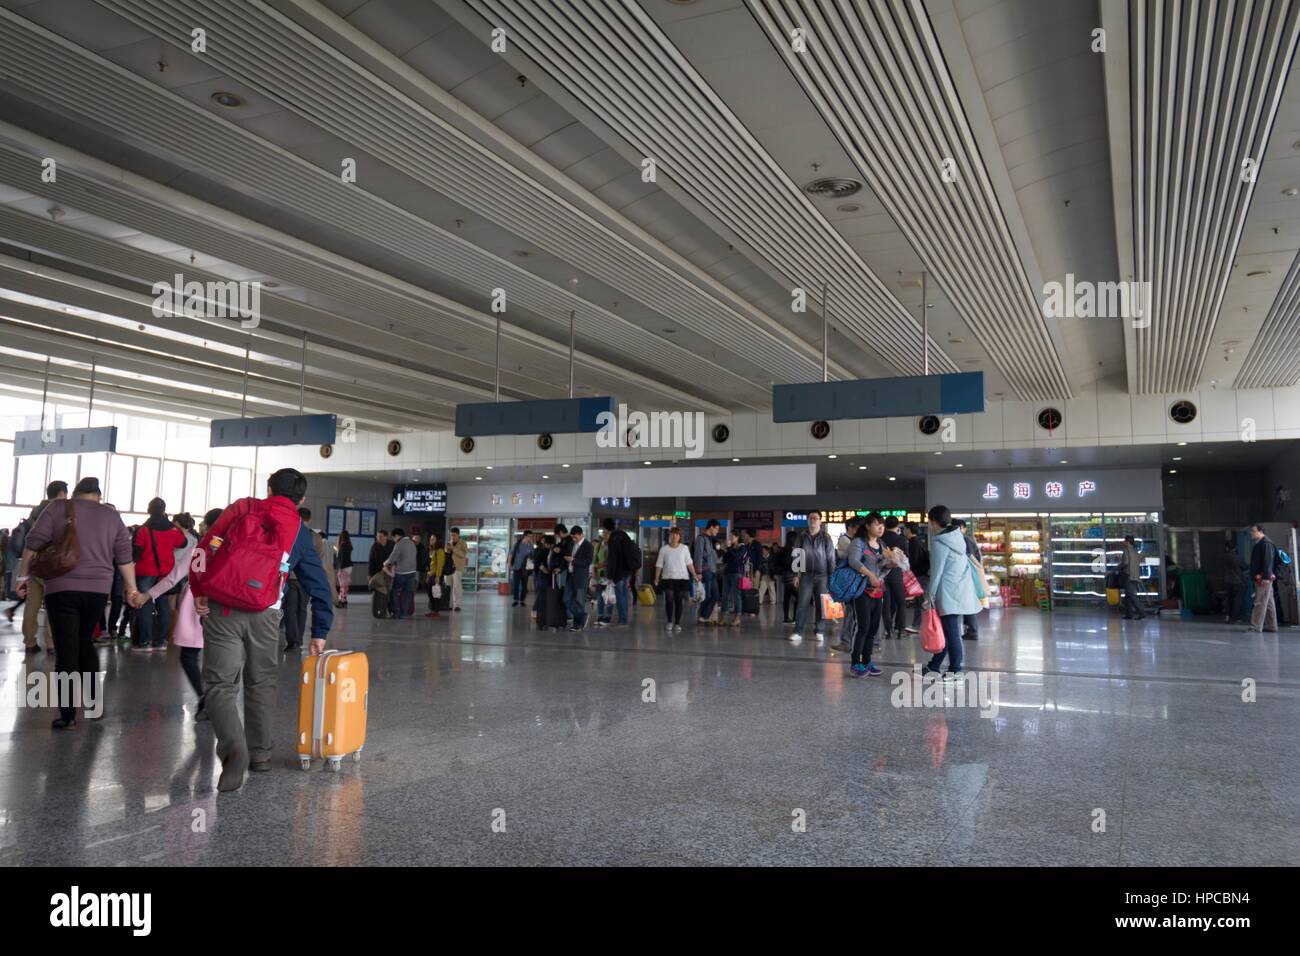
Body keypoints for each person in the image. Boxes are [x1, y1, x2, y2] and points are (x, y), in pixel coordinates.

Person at [193, 468, 334, 792]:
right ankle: (260, 755)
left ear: (268, 489)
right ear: (301, 499)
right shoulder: (300, 530)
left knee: (219, 685)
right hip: (266, 614)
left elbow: (204, 549)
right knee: (261, 683)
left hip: (222, 608)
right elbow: (319, 584)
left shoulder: (241, 509)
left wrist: (199, 588)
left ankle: (234, 750)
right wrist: (319, 630)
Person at [15, 477, 138, 729]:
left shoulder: (58, 508)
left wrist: (22, 577)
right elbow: (124, 557)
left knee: (66, 648)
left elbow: (33, 543)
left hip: (61, 587)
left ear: (75, 493)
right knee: (85, 643)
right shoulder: (111, 516)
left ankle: (68, 715)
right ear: (99, 495)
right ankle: (93, 705)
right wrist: (132, 588)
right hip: (97, 590)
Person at [130, 508, 222, 721]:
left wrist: (146, 596)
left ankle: (204, 697)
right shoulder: (232, 550)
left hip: (196, 605)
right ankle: (217, 701)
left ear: (207, 526)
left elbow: (173, 579)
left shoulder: (199, 550)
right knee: (219, 657)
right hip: (222, 607)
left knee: (189, 656)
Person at [921, 506, 981, 678]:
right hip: (958, 592)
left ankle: (955, 670)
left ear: (932, 521)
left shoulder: (940, 542)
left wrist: (929, 596)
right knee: (948, 631)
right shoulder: (958, 538)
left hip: (947, 593)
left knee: (952, 633)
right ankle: (934, 666)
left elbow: (936, 573)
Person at [17, 480, 67, 653]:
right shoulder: (60, 511)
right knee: (55, 605)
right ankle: (52, 643)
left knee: (32, 605)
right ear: (61, 493)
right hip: (52, 565)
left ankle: (29, 642)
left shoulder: (35, 511)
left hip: (33, 563)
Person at [131, 497, 187, 652]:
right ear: (164, 510)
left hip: (145, 573)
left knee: (144, 606)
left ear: (149, 510)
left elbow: (135, 554)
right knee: (164, 607)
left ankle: (145, 642)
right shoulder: (173, 530)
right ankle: (161, 641)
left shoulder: (143, 530)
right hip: (165, 574)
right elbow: (183, 543)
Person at [845, 513, 885, 677]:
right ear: (868, 526)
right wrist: (870, 575)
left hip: (877, 591)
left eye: (882, 525)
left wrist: (887, 568)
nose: (881, 527)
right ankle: (855, 663)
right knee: (862, 627)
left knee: (873, 628)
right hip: (861, 590)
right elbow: (854, 562)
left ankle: (867, 661)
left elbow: (883, 568)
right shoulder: (858, 542)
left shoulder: (882, 545)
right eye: (877, 524)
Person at [791, 511, 835, 644]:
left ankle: (819, 630)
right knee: (802, 604)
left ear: (820, 521)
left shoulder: (826, 538)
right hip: (806, 576)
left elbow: (831, 558)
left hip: (822, 576)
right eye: (810, 518)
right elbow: (796, 556)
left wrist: (832, 578)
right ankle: (798, 631)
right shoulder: (802, 537)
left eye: (815, 518)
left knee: (821, 605)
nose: (813, 521)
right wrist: (795, 575)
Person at [654, 526, 695, 632]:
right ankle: (669, 621)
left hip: (682, 578)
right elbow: (659, 564)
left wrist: (694, 574)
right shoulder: (664, 549)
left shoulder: (684, 548)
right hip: (668, 578)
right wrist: (656, 578)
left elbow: (689, 563)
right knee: (669, 599)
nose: (674, 536)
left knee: (678, 601)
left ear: (679, 536)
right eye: (672, 534)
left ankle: (677, 623)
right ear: (669, 535)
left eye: (676, 534)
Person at [830, 515, 862, 653]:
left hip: (858, 580)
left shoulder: (859, 541)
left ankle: (849, 642)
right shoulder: (845, 540)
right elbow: (852, 558)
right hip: (851, 581)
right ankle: (846, 642)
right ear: (851, 528)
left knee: (856, 613)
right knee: (851, 612)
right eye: (858, 527)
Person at [601, 518, 637, 627]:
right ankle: (624, 618)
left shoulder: (613, 538)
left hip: (618, 572)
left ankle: (623, 620)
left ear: (606, 528)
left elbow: (613, 559)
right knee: (624, 595)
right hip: (627, 570)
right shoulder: (623, 535)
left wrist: (610, 575)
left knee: (620, 595)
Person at [1247, 524, 1279, 633]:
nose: (1251, 533)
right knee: (1269, 602)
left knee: (1259, 602)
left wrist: (1265, 577)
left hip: (1263, 578)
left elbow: (1268, 561)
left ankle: (1255, 626)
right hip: (1263, 577)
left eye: (1253, 531)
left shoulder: (1265, 543)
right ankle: (1271, 625)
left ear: (1260, 531)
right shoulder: (1262, 543)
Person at [955, 519, 983, 640]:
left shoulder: (965, 540)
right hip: (967, 576)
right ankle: (970, 630)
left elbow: (969, 558)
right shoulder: (964, 540)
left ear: (962, 528)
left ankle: (972, 630)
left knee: (968, 604)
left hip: (968, 577)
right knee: (967, 604)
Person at [880, 516, 908, 640]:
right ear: (898, 526)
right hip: (896, 573)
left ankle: (888, 630)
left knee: (886, 602)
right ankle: (900, 629)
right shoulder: (901, 539)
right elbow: (906, 557)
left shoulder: (880, 538)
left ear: (885, 525)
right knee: (901, 601)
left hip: (882, 573)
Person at [563, 526, 594, 630]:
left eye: (575, 537)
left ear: (581, 534)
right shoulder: (572, 544)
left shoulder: (588, 546)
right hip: (570, 576)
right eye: (572, 537)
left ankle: (578, 624)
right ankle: (583, 615)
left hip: (581, 577)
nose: (573, 539)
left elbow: (587, 562)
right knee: (566, 599)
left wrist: (573, 560)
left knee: (579, 601)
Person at [384, 527, 418, 619]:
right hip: (412, 572)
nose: (394, 540)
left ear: (396, 536)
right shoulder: (412, 543)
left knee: (395, 591)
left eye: (393, 538)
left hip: (402, 572)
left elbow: (393, 557)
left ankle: (396, 611)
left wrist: (385, 563)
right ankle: (404, 613)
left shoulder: (399, 543)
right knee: (408, 593)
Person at [693, 519, 721, 625]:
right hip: (705, 571)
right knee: (707, 595)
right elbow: (698, 555)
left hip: (712, 571)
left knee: (716, 595)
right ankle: (703, 616)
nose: (717, 531)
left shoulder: (710, 539)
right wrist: (698, 572)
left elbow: (712, 556)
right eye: (717, 528)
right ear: (711, 527)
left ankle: (703, 616)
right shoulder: (701, 538)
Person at [904, 522, 929, 633]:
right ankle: (921, 625)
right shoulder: (919, 541)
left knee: (921, 602)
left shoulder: (913, 543)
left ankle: (918, 625)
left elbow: (913, 561)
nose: (904, 531)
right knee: (921, 601)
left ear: (909, 530)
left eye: (905, 529)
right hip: (923, 575)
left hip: (919, 576)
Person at [720, 529, 744, 627]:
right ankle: (723, 617)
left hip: (736, 573)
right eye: (730, 536)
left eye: (732, 536)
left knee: (736, 596)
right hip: (727, 573)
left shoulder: (742, 547)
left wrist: (729, 548)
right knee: (725, 595)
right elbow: (725, 560)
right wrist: (725, 550)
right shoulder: (730, 547)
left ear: (737, 537)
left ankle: (737, 618)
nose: (730, 538)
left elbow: (736, 557)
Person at [531, 533, 556, 624]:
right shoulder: (543, 551)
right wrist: (543, 568)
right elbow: (537, 562)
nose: (547, 545)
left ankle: (542, 612)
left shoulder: (552, 551)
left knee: (544, 595)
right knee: (541, 594)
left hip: (548, 577)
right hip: (542, 577)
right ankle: (535, 610)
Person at [1223, 541, 1250, 624]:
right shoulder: (1237, 557)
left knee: (1229, 599)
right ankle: (1235, 618)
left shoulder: (1225, 557)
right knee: (1237, 600)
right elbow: (1245, 566)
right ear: (1235, 548)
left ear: (1227, 548)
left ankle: (1228, 617)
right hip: (1238, 581)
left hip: (1228, 581)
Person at [1119, 535, 1146, 621]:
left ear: (1127, 542)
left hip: (1128, 576)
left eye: (1124, 541)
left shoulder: (1126, 551)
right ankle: (1129, 614)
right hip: (1136, 576)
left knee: (1131, 595)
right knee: (1128, 596)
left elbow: (1125, 562)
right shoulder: (1136, 552)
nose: (1123, 542)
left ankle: (1141, 612)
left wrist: (1118, 568)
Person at [777, 530, 799, 624]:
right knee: (798, 597)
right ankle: (794, 618)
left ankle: (786, 618)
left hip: (785, 576)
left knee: (787, 596)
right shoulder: (793, 551)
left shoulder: (783, 550)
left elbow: (779, 563)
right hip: (792, 576)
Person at [509, 531, 533, 606]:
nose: (530, 538)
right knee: (516, 584)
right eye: (529, 536)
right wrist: (509, 563)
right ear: (525, 536)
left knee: (524, 585)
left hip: (525, 569)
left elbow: (533, 556)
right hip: (517, 567)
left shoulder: (530, 546)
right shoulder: (517, 544)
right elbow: (511, 554)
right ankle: (515, 600)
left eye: (531, 536)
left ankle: (522, 600)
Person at [425, 533, 446, 618]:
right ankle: (432, 610)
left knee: (436, 594)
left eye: (433, 539)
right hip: (431, 575)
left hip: (436, 575)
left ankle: (436, 611)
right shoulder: (432, 550)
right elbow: (431, 565)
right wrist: (428, 576)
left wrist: (438, 576)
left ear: (438, 540)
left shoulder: (440, 551)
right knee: (430, 593)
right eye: (430, 538)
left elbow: (440, 564)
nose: (431, 540)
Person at [449, 527, 468, 611]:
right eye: (451, 535)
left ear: (458, 535)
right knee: (448, 586)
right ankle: (449, 604)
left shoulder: (463, 543)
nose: (452, 537)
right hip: (449, 568)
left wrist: (454, 549)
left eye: (454, 535)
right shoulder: (449, 543)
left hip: (457, 567)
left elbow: (463, 555)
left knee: (457, 587)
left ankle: (457, 605)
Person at [334, 529, 353, 608]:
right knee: (345, 585)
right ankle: (344, 600)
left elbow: (342, 558)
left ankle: (342, 601)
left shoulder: (343, 545)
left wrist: (340, 568)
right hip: (348, 567)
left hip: (343, 567)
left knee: (342, 585)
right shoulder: (349, 545)